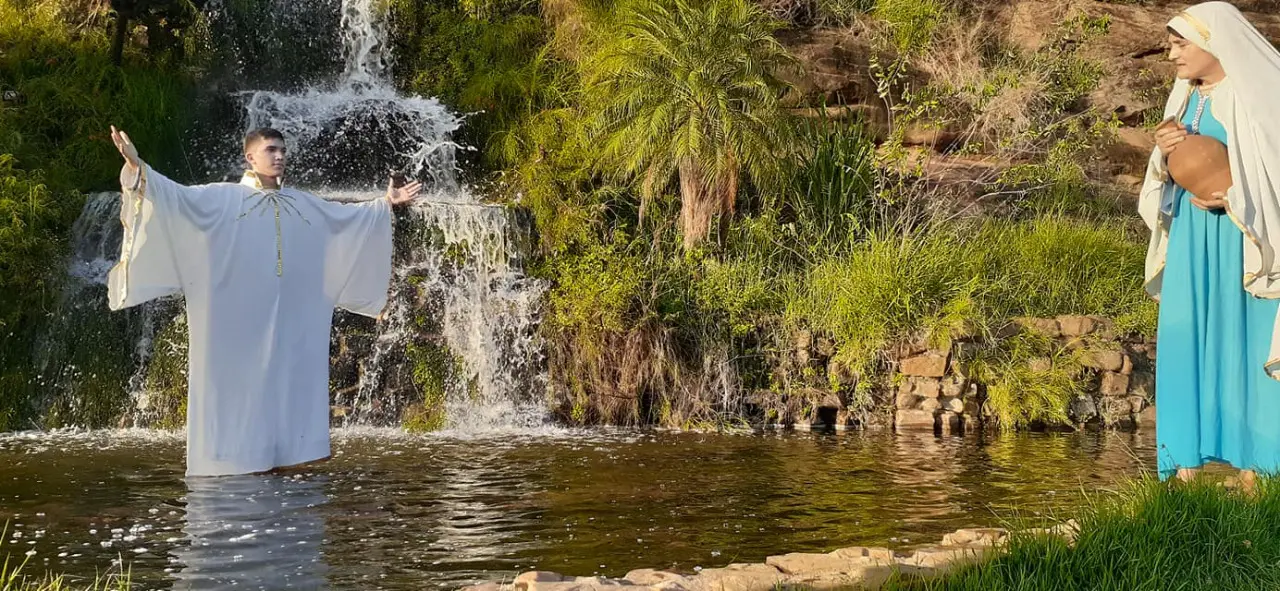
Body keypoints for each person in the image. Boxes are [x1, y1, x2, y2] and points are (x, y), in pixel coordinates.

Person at [107, 125, 423, 477]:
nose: (279, 156)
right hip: (237, 320)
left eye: (283, 150)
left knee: (289, 382)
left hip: (292, 322)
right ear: (250, 157)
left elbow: (346, 219)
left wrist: (387, 203)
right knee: (234, 386)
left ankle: (290, 458)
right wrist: (137, 169)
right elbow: (175, 197)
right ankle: (231, 461)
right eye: (271, 150)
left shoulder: (303, 203)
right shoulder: (222, 198)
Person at [1139, 2, 1280, 492]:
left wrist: (1235, 198)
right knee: (1186, 337)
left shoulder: (1260, 93)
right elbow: (1169, 172)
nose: (1172, 54)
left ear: (1214, 43)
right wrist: (1163, 151)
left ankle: (1259, 471)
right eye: (1171, 45)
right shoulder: (1183, 96)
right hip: (1192, 238)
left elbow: (1273, 166)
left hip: (1247, 239)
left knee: (1248, 342)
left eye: (1181, 44)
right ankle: (1184, 469)